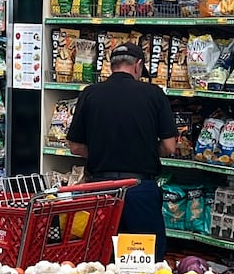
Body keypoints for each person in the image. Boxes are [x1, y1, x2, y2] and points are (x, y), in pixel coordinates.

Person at [65, 42, 177, 260]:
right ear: (138, 65)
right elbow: (169, 146)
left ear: (111, 65)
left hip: (100, 190)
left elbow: (75, 146)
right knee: (143, 264)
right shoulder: (154, 94)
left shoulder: (90, 94)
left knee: (101, 260)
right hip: (139, 190)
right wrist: (142, 150)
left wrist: (103, 151)